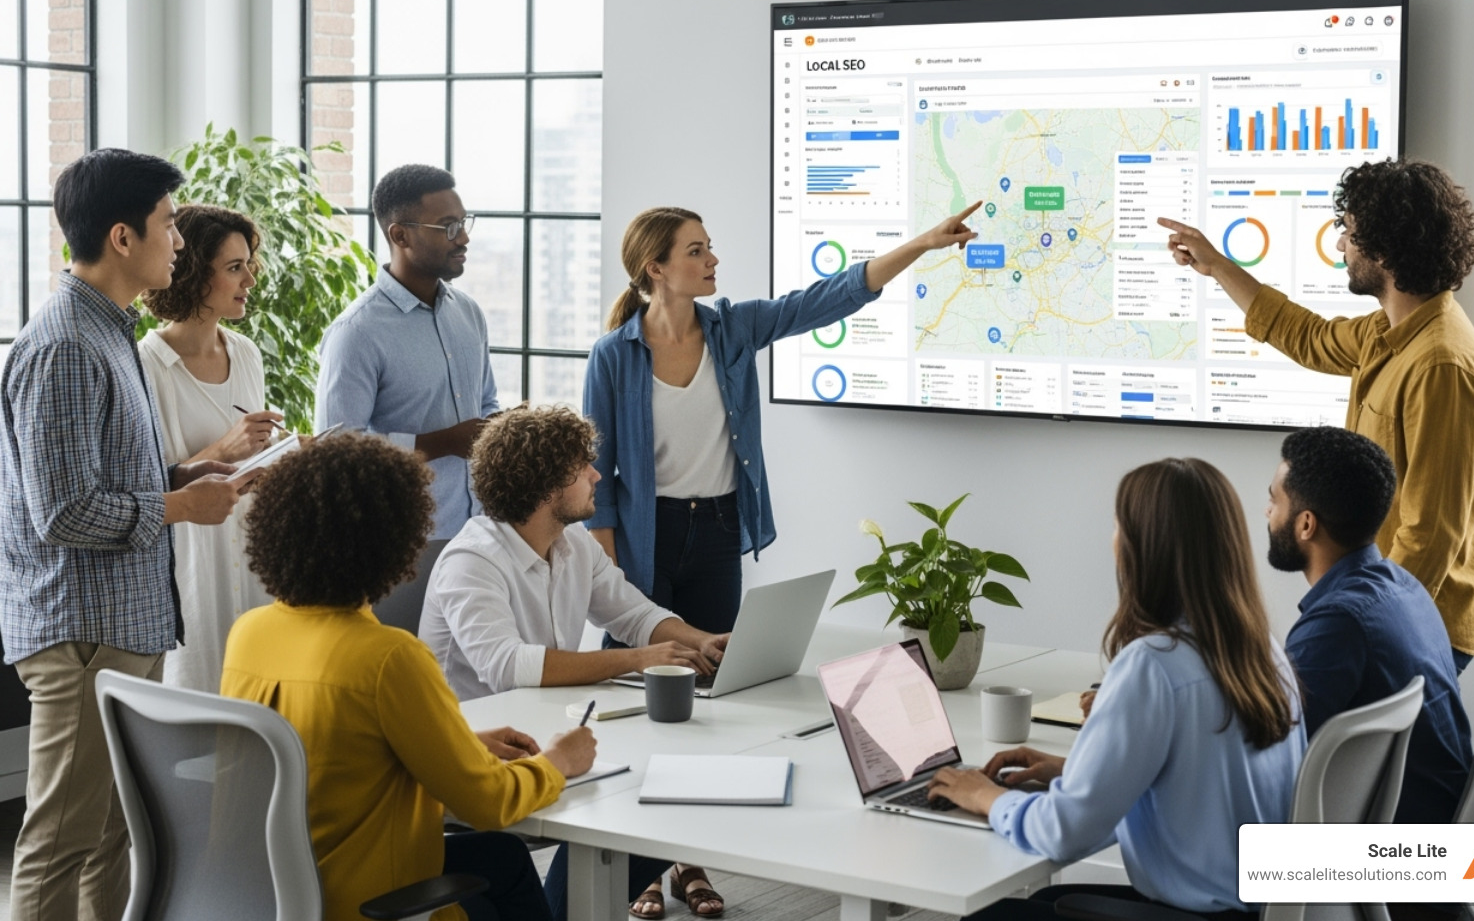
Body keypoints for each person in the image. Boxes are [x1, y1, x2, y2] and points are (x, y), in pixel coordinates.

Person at [583, 201, 980, 916]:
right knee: (649, 709)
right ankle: (640, 870)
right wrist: (610, 578)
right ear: (657, 268)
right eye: (697, 250)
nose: (713, 261)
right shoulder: (614, 356)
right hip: (646, 541)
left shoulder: (731, 328)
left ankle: (688, 864)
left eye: (710, 247)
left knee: (709, 701)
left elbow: (826, 298)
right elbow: (600, 480)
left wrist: (921, 244)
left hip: (716, 533)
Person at [0, 149, 247, 921]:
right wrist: (178, 510)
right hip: (82, 634)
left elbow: (115, 479)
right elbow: (66, 511)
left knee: (109, 833)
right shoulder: (68, 344)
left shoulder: (109, 329)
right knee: (61, 839)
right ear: (121, 237)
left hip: (119, 626)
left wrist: (189, 485)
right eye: (169, 223)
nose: (179, 240)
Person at [223, 430, 598, 921]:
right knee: (496, 850)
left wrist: (455, 737)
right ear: (397, 541)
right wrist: (557, 760)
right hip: (370, 899)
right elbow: (489, 804)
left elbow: (331, 741)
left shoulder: (250, 633)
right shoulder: (388, 657)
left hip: (274, 890)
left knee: (501, 859)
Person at [928, 458, 1304, 921]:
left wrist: (986, 796)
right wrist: (1074, 772)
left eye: (1116, 527)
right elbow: (1195, 781)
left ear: (1143, 548)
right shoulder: (1263, 649)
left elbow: (1066, 834)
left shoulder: (1154, 664)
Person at [1160, 158, 1474, 671]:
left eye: (1349, 233)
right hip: (1384, 610)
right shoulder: (1388, 332)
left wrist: (1372, 622)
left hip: (1414, 621)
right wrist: (1216, 266)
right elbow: (1308, 336)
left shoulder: (1441, 364)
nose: (1341, 245)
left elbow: (1431, 532)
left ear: (1384, 249)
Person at [420, 404, 721, 920]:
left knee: (667, 801)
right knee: (639, 792)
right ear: (544, 483)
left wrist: (706, 641)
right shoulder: (473, 560)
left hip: (543, 729)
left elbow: (634, 613)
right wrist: (639, 660)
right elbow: (508, 666)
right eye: (583, 466)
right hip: (480, 751)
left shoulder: (572, 543)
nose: (596, 475)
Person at [1265, 426, 1472, 833]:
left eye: (1273, 500)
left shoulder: (1339, 624)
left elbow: (1269, 749)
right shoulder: (1403, 585)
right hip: (1437, 836)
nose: (1267, 513)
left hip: (1395, 862)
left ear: (1306, 524)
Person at [140, 205, 285, 691]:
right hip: (193, 564)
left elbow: (251, 452)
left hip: (253, 553)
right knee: (202, 698)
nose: (250, 278)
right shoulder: (147, 364)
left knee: (261, 701)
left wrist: (281, 452)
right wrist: (225, 448)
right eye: (233, 267)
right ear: (194, 271)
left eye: (249, 264)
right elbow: (150, 480)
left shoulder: (246, 352)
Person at [316, 164, 497, 541]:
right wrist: (441, 442)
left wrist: (504, 427)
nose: (463, 238)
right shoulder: (356, 333)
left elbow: (485, 403)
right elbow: (334, 454)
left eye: (464, 223)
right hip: (401, 543)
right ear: (400, 235)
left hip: (479, 533)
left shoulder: (470, 313)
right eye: (448, 227)